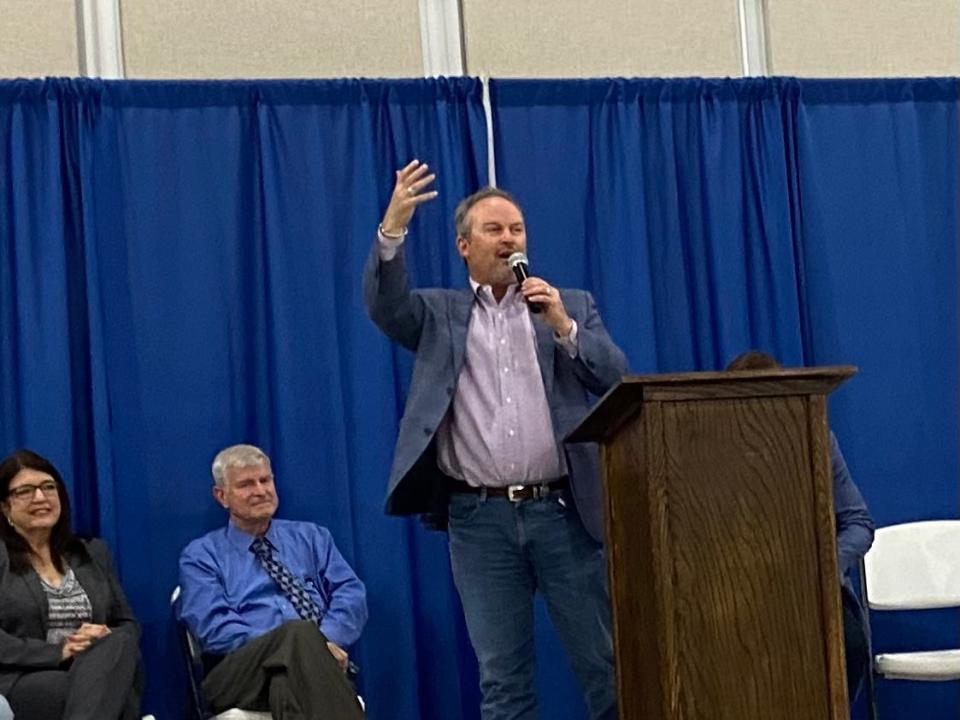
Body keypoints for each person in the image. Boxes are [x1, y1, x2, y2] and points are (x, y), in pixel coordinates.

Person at [364, 160, 627, 720]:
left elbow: (613, 377)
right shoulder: (439, 313)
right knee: (503, 679)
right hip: (479, 521)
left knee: (605, 665)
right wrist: (392, 231)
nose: (509, 239)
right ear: (464, 246)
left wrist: (562, 326)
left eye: (517, 230)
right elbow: (386, 308)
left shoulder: (569, 303)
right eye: (494, 230)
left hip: (562, 512)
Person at [725, 350, 876, 700]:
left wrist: (825, 565)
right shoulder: (715, 451)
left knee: (849, 647)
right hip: (740, 592)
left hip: (814, 588)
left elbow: (858, 522)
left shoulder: (818, 439)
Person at [177, 443, 367, 719]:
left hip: (311, 669)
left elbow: (351, 595)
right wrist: (299, 645)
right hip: (238, 673)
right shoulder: (201, 556)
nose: (260, 491)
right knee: (298, 634)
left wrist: (318, 647)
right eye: (246, 485)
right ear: (221, 496)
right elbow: (214, 627)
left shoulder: (312, 538)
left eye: (265, 480)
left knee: (287, 682)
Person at [0, 449, 142, 720]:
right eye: (25, 491)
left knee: (119, 641)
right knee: (108, 695)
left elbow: (127, 622)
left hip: (95, 668)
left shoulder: (92, 552)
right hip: (22, 676)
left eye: (48, 487)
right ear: (5, 506)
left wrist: (102, 635)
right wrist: (60, 651)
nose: (40, 497)